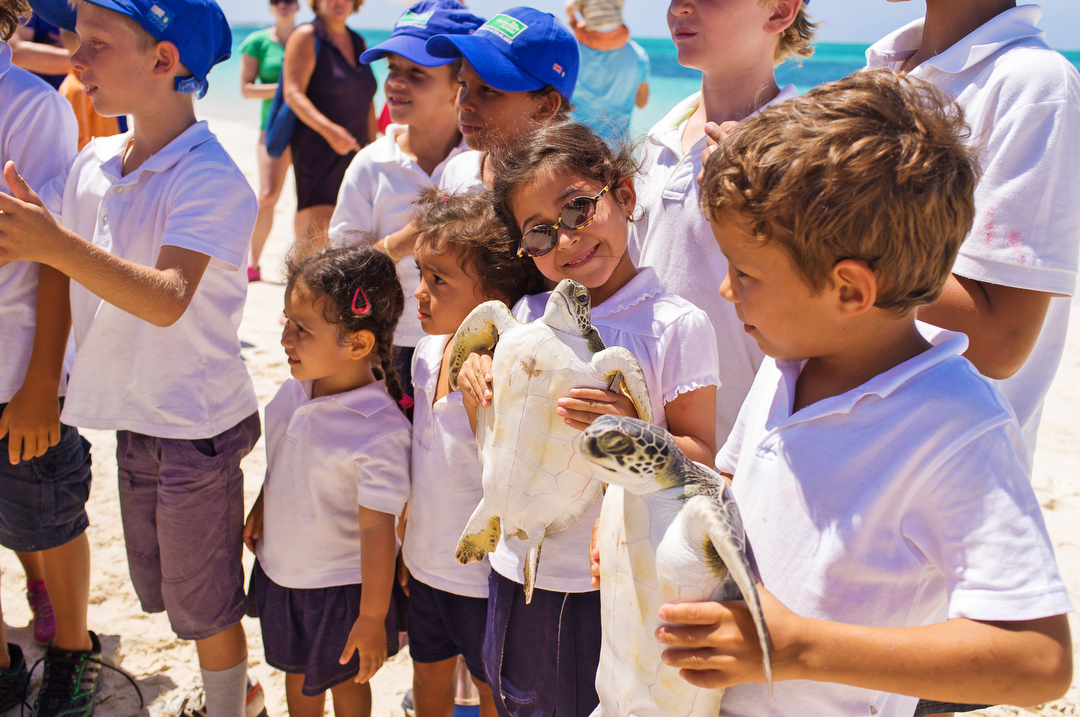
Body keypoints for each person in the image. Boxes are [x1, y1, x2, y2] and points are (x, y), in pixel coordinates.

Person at [653, 68, 1074, 717]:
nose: (729, 291)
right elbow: (728, 495)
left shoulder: (955, 428)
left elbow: (1039, 660)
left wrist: (798, 648)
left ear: (849, 290)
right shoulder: (789, 359)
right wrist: (645, 539)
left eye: (746, 273)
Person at [0, 0, 267, 715]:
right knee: (165, 590)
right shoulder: (93, 160)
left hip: (196, 423)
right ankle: (240, 693)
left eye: (94, 44)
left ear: (164, 59)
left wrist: (50, 241)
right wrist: (37, 229)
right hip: (135, 416)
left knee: (205, 603)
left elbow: (167, 297)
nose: (73, 59)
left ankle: (231, 705)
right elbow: (32, 231)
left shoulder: (210, 176)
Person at [456, 122, 720, 717]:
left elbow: (702, 454)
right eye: (541, 233)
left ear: (624, 196)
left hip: (606, 581)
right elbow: (490, 432)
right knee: (515, 697)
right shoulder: (521, 317)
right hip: (515, 560)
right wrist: (474, 374)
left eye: (579, 209)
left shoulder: (676, 325)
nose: (568, 241)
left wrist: (636, 429)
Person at [865, 0, 1080, 478]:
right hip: (845, 458)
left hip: (939, 489)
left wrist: (807, 219)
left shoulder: (1034, 82)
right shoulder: (883, 73)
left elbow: (1001, 342)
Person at [629, 0, 815, 451]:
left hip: (748, 447)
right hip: (644, 434)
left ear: (779, 12)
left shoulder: (802, 149)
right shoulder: (659, 134)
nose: (681, 7)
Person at [243, 245, 410, 717]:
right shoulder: (295, 387)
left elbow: (377, 529)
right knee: (297, 679)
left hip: (341, 589)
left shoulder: (378, 431)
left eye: (303, 330)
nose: (286, 341)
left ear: (357, 344)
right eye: (287, 324)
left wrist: (372, 616)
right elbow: (285, 460)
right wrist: (261, 505)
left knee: (347, 681)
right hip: (283, 571)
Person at [403, 189, 544, 717]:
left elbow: (505, 467)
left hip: (481, 578)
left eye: (439, 280)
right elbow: (428, 456)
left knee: (492, 691)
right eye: (420, 272)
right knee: (427, 672)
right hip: (423, 560)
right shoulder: (425, 352)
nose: (419, 292)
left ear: (496, 294)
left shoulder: (502, 375)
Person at [329, 0, 483, 406]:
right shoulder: (371, 164)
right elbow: (339, 276)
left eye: (416, 73)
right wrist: (408, 237)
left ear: (460, 82)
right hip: (390, 346)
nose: (397, 82)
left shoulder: (484, 165)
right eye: (393, 69)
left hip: (471, 349)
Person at [0, 3, 82, 713]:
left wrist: (41, 382)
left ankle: (72, 653)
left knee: (49, 516)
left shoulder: (31, 106)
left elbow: (54, 257)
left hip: (16, 363)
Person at [374, 6, 580, 264]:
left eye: (487, 89)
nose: (464, 102)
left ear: (545, 107)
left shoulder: (573, 194)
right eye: (463, 84)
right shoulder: (459, 171)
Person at [283, 0, 377, 245]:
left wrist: (374, 145)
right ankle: (299, 280)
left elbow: (367, 97)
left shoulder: (359, 41)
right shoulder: (306, 35)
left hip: (356, 147)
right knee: (317, 228)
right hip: (316, 145)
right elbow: (292, 93)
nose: (340, 2)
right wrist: (331, 131)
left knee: (349, 227)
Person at [240, 0, 299, 282]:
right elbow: (247, 90)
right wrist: (288, 89)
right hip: (272, 128)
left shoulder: (309, 38)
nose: (283, 5)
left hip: (307, 131)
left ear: (299, 6)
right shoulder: (257, 41)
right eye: (277, 1)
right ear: (270, 7)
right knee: (267, 197)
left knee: (306, 201)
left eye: (289, 0)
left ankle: (302, 266)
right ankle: (253, 263)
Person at [566, 0, 649, 143]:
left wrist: (573, 20)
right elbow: (641, 102)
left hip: (575, 147)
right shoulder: (638, 54)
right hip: (615, 151)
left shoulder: (571, 50)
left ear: (585, 14)